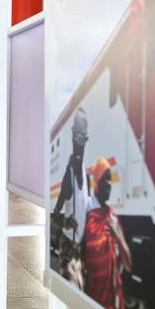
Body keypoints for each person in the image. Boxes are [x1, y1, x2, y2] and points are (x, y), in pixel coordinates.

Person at [82, 157, 133, 309]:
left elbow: (129, 265)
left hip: (112, 297)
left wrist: (117, 235)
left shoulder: (113, 217)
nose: (109, 185)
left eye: (110, 180)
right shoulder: (87, 211)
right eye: (105, 180)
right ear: (96, 183)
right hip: (92, 293)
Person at [51, 108, 95, 289]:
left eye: (82, 140)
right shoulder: (68, 177)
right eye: (77, 140)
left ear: (85, 141)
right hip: (69, 247)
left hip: (81, 249)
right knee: (71, 288)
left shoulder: (86, 177)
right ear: (72, 141)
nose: (79, 146)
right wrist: (65, 221)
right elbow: (55, 213)